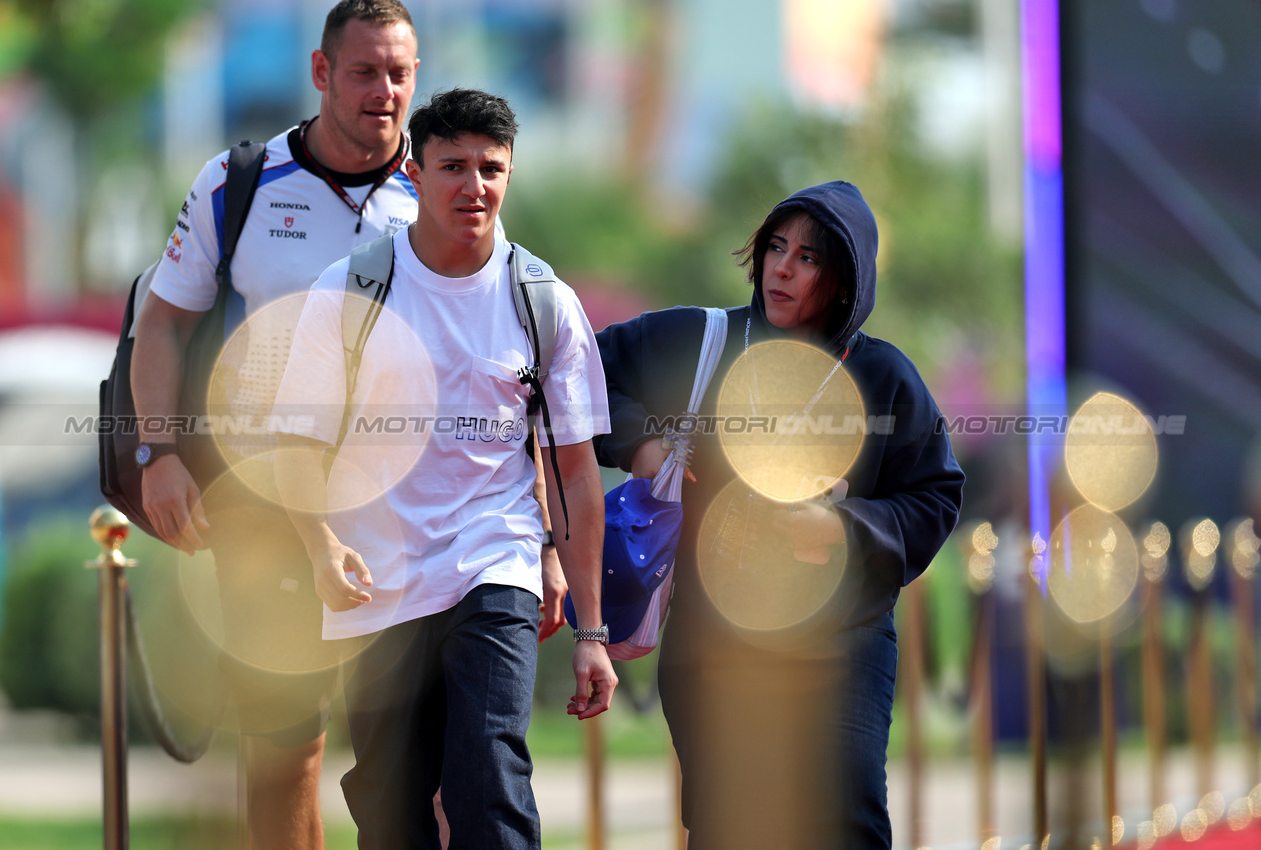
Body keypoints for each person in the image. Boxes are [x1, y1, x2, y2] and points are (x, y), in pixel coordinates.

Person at [130, 4, 563, 847]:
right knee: (283, 743)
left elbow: (511, 364)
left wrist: (543, 533)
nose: (385, 92)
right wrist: (159, 452)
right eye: (364, 72)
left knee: (422, 760)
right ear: (323, 73)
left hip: (412, 511)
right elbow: (163, 323)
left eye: (400, 72)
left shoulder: (445, 181)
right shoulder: (239, 183)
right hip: (265, 496)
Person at [270, 88, 617, 849]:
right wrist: (321, 547)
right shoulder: (349, 290)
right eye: (452, 166)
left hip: (492, 561)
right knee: (390, 805)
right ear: (415, 177)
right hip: (376, 581)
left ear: (510, 174)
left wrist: (590, 626)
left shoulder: (542, 302)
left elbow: (575, 474)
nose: (473, 186)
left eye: (490, 168)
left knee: (488, 775)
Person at [593, 181, 964, 848]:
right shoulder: (700, 339)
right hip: (712, 640)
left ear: (845, 281)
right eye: (774, 248)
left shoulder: (883, 377)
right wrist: (638, 442)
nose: (782, 269)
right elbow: (575, 374)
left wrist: (842, 527)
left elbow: (934, 494)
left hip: (840, 644)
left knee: (842, 819)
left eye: (808, 258)